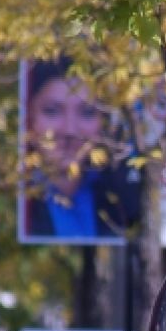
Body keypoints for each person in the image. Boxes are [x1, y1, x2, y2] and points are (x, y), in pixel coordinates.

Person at [22, 58, 142, 239]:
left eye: (87, 112)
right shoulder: (16, 203)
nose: (70, 130)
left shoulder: (121, 200)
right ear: (29, 116)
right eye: (52, 110)